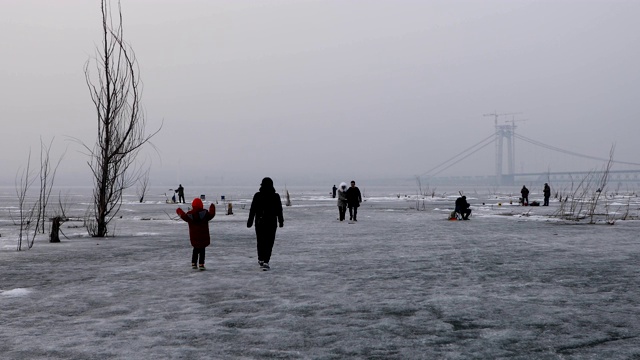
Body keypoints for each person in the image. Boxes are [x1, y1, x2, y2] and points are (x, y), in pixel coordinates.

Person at [247, 177, 284, 271]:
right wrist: (281, 221)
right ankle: (266, 260)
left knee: (261, 241)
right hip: (271, 222)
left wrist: (250, 221)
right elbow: (279, 210)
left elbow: (252, 210)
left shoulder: (258, 195)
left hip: (260, 222)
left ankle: (261, 258)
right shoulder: (275, 196)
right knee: (269, 242)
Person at [176, 198, 216, 270]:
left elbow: (183, 215)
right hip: (203, 236)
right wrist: (212, 207)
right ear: (201, 205)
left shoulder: (189, 215)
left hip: (194, 237)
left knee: (195, 249)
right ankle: (201, 264)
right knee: (202, 250)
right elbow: (212, 214)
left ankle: (194, 263)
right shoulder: (205, 213)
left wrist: (179, 210)